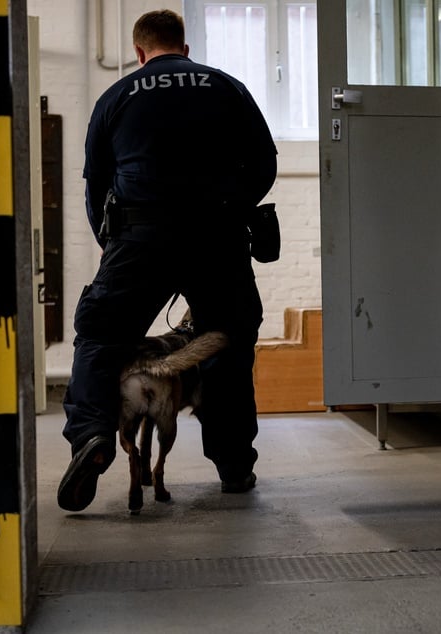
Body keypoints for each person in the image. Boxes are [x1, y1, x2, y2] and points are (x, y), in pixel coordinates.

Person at [57, 9, 277, 512]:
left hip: (139, 235)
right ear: (185, 45)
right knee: (226, 341)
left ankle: (91, 437)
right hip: (216, 235)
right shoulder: (227, 88)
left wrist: (110, 242)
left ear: (139, 51)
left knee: (100, 335)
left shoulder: (116, 96)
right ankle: (234, 465)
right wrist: (231, 209)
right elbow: (264, 162)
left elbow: (95, 183)